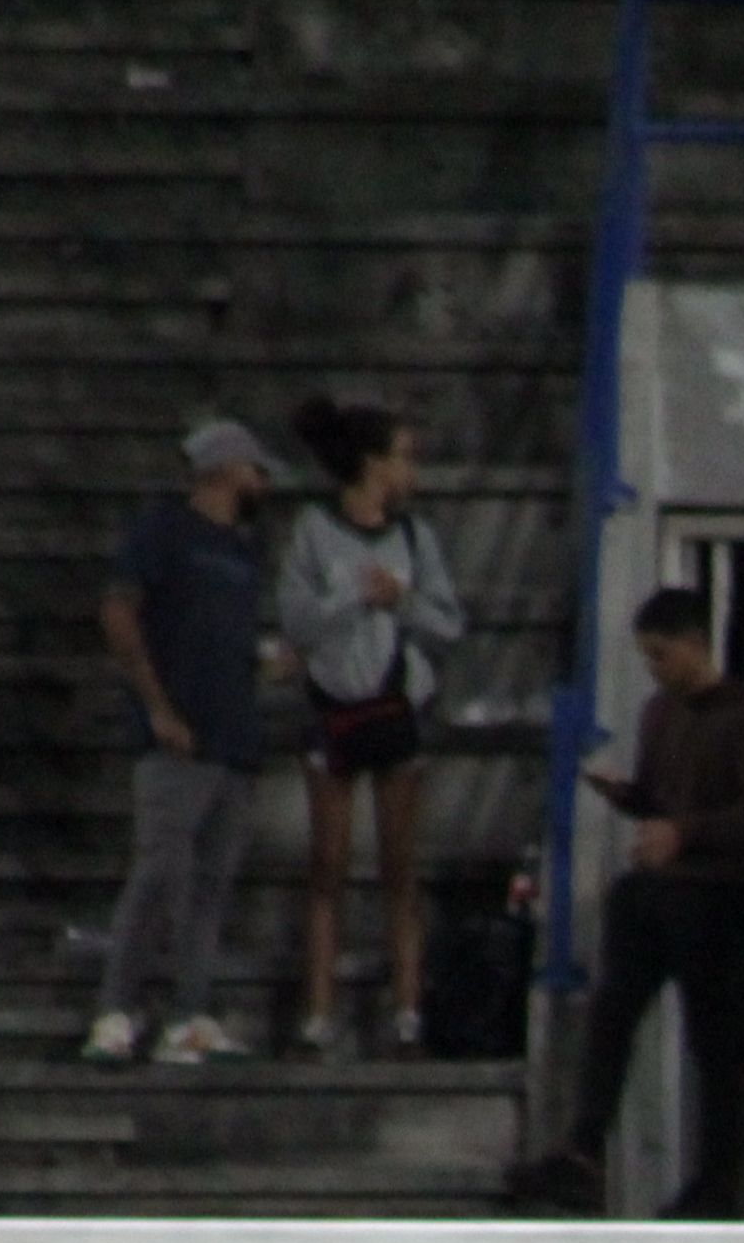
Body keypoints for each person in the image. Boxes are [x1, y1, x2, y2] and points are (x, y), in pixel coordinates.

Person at [516, 592, 744, 1216]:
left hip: (717, 896)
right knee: (612, 1014)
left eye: (663, 655)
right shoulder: (658, 713)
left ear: (696, 644)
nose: (656, 670)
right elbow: (663, 802)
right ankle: (585, 1149)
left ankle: (718, 1179)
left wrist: (685, 832)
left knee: (712, 1040)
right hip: (659, 890)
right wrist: (630, 797)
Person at [270, 399, 462, 1062]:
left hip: (394, 706)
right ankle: (317, 1017)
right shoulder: (313, 531)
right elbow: (296, 621)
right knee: (327, 868)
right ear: (372, 464)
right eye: (403, 455)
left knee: (400, 868)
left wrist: (401, 600)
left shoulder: (415, 538)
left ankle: (407, 1011)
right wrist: (354, 593)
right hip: (333, 708)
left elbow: (448, 625)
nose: (411, 470)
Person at [85, 419, 279, 1069]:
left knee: (208, 888)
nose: (262, 483)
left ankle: (188, 1014)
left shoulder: (245, 552)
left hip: (233, 737)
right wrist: (157, 705)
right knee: (157, 872)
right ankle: (115, 1009)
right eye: (255, 469)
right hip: (178, 735)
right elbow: (119, 609)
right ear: (226, 469)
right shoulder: (164, 532)